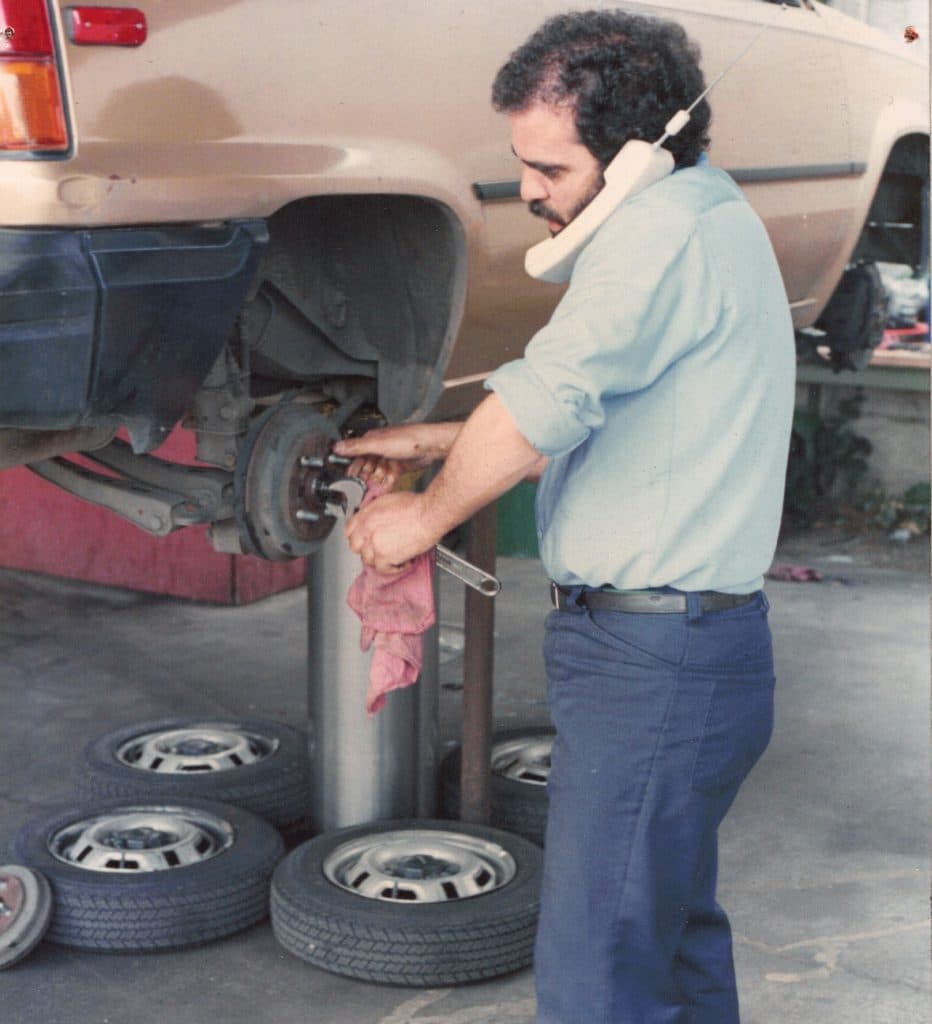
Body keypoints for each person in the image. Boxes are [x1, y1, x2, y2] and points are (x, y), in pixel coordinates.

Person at [334, 10, 795, 1023]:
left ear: (637, 152)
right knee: (664, 937)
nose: (528, 192)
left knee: (598, 972)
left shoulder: (660, 238)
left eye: (548, 168)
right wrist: (440, 438)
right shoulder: (699, 218)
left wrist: (421, 520)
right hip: (681, 650)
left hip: (655, 662)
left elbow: (550, 404)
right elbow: (603, 395)